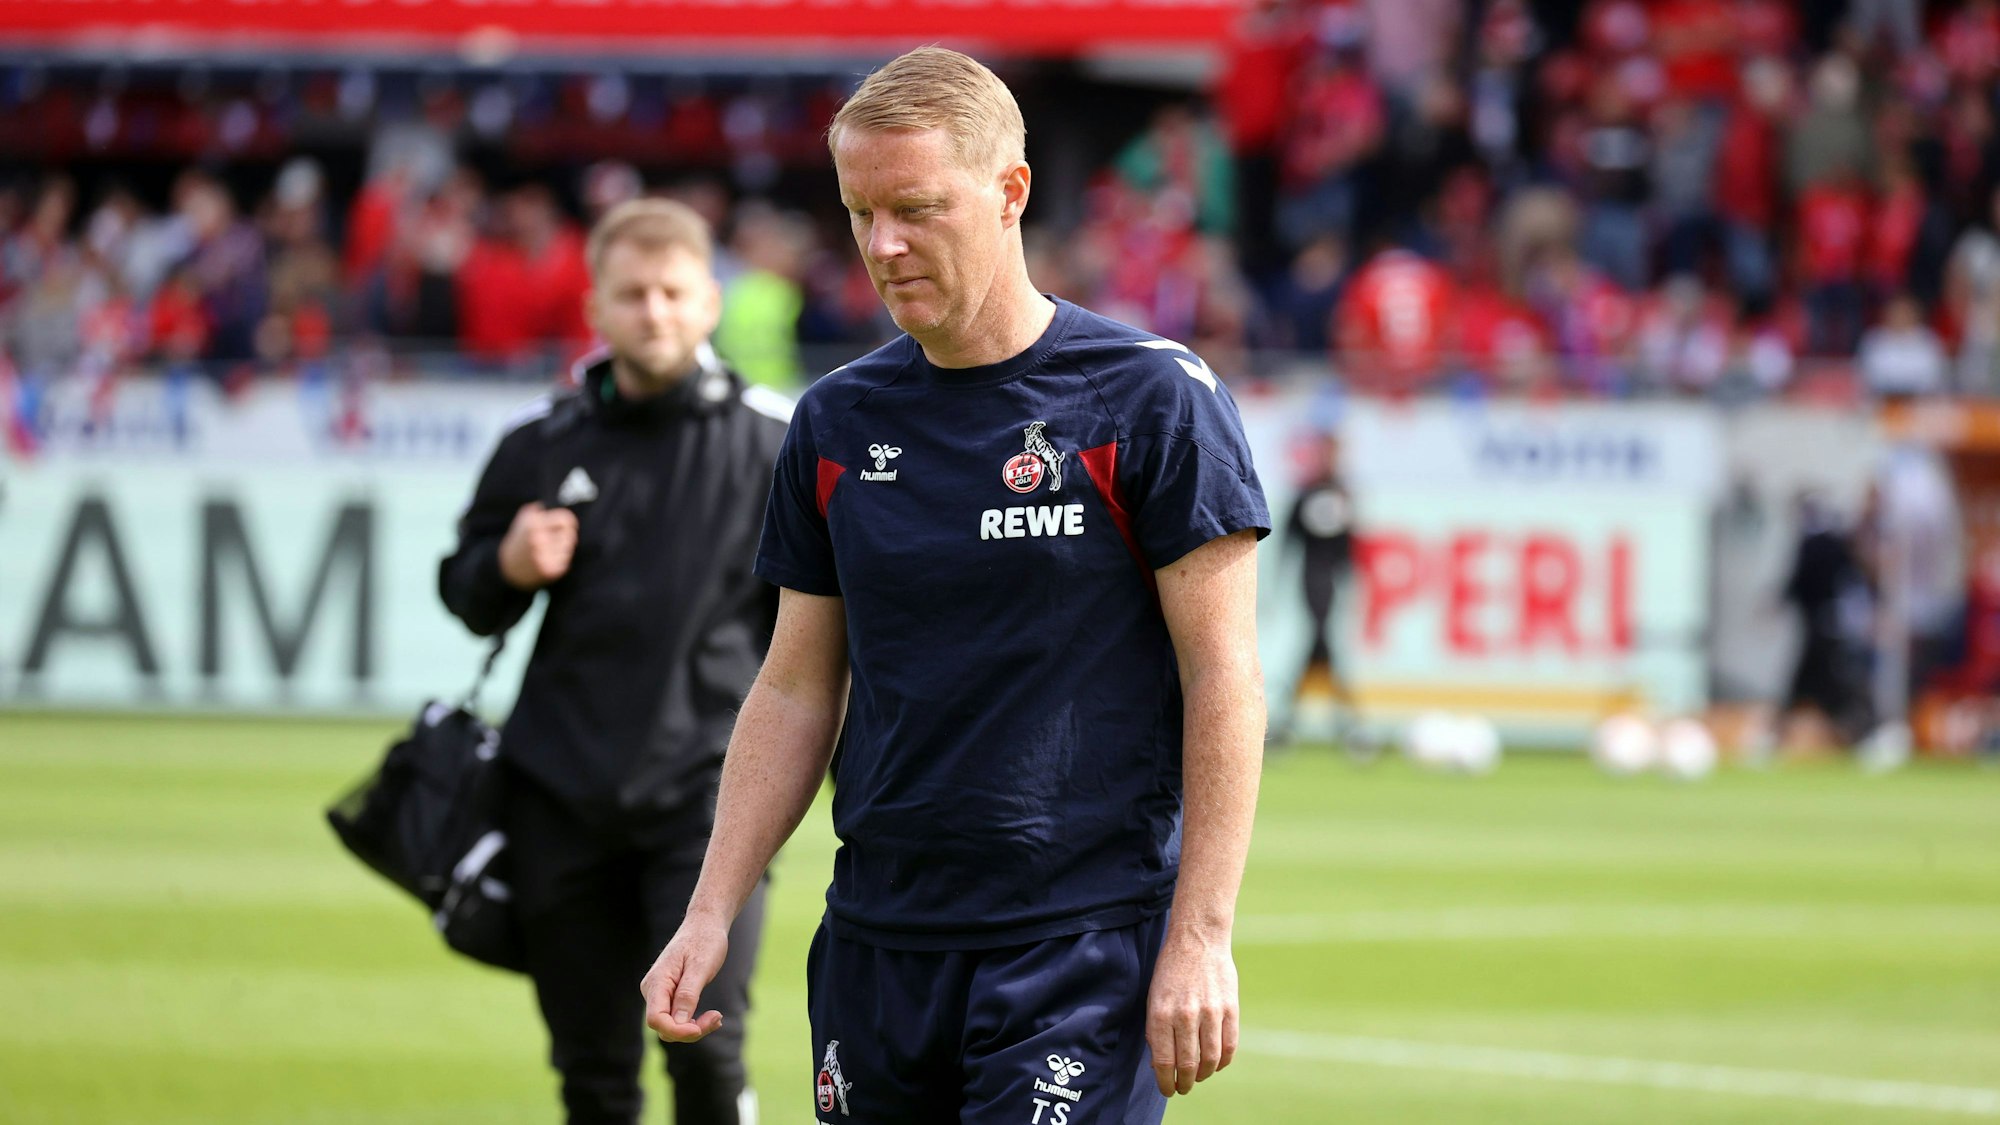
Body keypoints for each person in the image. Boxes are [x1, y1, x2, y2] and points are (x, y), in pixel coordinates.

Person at [640, 46, 1270, 1124]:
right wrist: (710, 911)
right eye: (859, 213)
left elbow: (1224, 676)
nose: (881, 245)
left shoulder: (1153, 400)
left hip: (1079, 945)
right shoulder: (834, 422)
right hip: (876, 946)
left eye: (916, 209)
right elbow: (793, 687)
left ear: (1010, 191)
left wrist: (1202, 934)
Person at [439, 198, 789, 1125]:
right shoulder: (540, 440)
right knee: (592, 1077)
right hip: (557, 798)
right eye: (632, 294)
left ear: (709, 300)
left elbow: (818, 643)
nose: (654, 312)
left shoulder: (776, 441)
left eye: (673, 292)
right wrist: (506, 565)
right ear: (595, 307)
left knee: (707, 1054)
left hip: (708, 803)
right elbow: (465, 595)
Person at [1276, 430, 1364, 752]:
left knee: (1317, 649)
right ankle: (1349, 725)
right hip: (1311, 578)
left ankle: (1288, 724)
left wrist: (1352, 580)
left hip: (1331, 580)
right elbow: (1289, 538)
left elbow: (1349, 544)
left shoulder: (1342, 493)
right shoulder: (1309, 492)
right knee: (1322, 644)